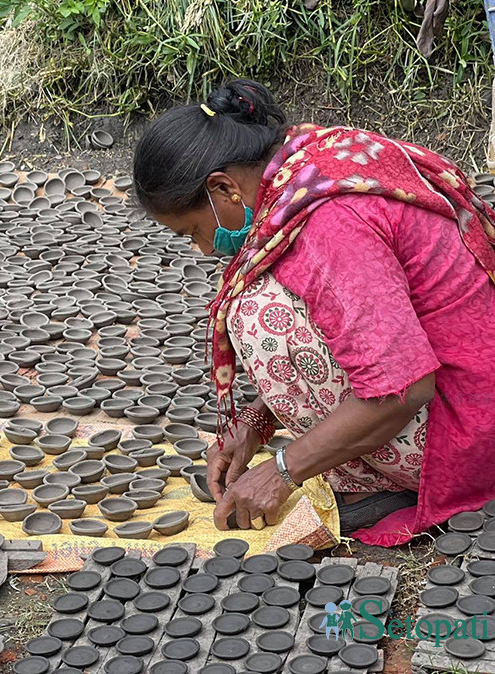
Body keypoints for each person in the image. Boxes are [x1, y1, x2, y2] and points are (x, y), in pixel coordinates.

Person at [131, 79, 495, 544]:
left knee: (259, 314)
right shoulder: (310, 162)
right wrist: (257, 424)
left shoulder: (329, 223)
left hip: (469, 434)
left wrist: (283, 471)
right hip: (473, 385)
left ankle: (391, 482)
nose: (204, 250)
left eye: (192, 232)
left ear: (224, 188)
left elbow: (402, 386)